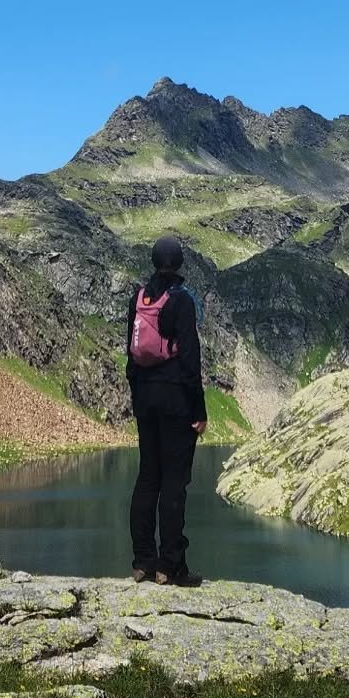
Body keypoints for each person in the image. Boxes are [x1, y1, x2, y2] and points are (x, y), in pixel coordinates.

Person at [126, 233, 208, 586]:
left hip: (145, 397)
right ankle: (170, 566)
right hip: (176, 400)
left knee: (148, 478)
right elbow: (190, 359)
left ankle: (143, 561)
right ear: (180, 263)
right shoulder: (182, 301)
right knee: (175, 483)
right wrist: (199, 409)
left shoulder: (139, 297)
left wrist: (137, 395)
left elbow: (129, 354)